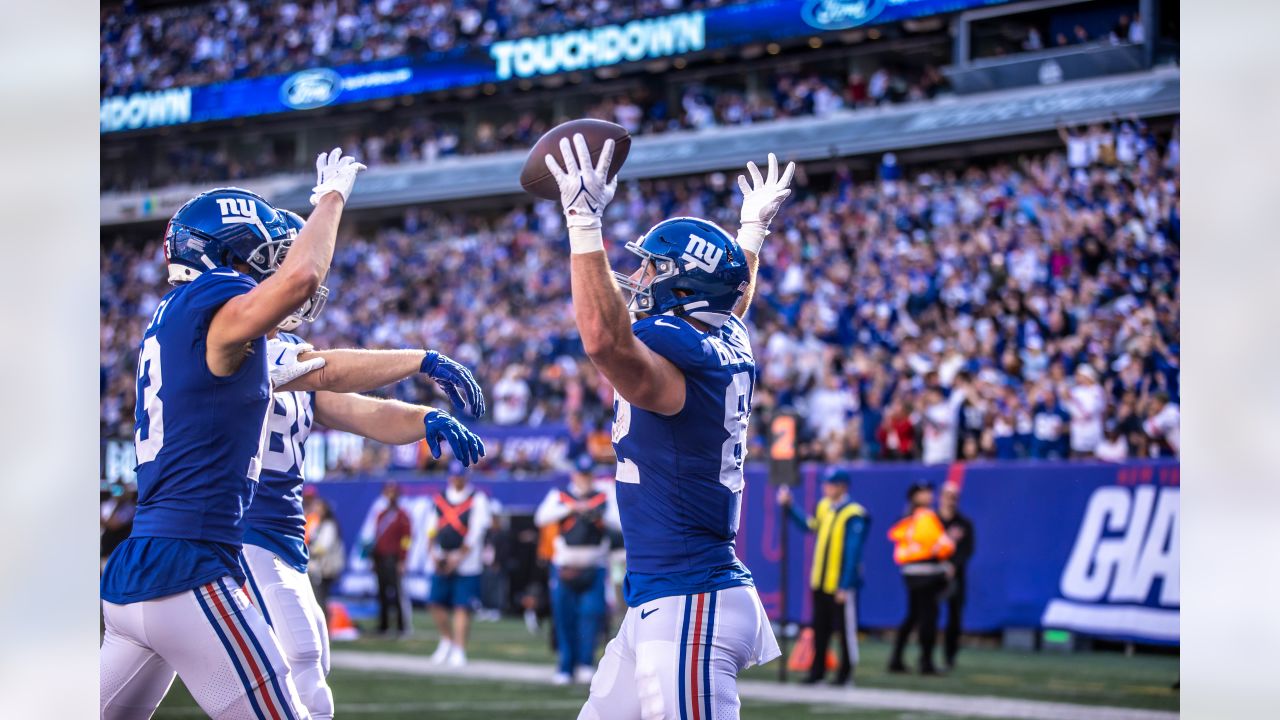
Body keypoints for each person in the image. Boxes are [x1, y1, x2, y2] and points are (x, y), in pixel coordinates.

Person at [100, 149, 364, 719]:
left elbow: (326, 370)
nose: (264, 267)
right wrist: (332, 198)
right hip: (191, 568)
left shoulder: (173, 317)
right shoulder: (209, 300)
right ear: (223, 251)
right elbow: (301, 278)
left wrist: (419, 361)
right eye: (258, 253)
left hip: (137, 568)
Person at [543, 134, 795, 719]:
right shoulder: (723, 334)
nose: (638, 275)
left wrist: (583, 222)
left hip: (691, 601)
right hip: (666, 600)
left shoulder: (681, 357)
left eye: (652, 266)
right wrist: (748, 238)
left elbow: (605, 341)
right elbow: (729, 300)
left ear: (682, 284)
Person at [240, 209, 488, 719]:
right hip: (242, 530)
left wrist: (426, 419)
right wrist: (423, 360)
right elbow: (333, 373)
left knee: (307, 666)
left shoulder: (285, 350)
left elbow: (359, 410)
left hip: (280, 537)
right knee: (303, 679)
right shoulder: (232, 348)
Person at [776, 469, 870, 687]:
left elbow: (852, 552)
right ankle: (817, 672)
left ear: (842, 487)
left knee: (845, 632)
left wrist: (844, 585)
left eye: (830, 484)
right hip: (820, 580)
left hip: (839, 584)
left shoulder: (854, 514)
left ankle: (845, 674)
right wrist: (790, 507)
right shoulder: (824, 506)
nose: (825, 488)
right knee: (820, 629)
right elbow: (810, 526)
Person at [535, 454, 622, 685]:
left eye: (588, 475)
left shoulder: (604, 495)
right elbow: (541, 518)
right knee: (564, 618)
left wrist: (596, 512)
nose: (584, 479)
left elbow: (618, 521)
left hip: (593, 566)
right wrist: (572, 508)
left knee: (591, 615)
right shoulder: (560, 496)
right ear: (575, 475)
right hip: (564, 566)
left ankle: (585, 663)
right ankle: (565, 665)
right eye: (581, 474)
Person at [426, 461, 494, 667]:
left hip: (467, 562)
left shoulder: (477, 499)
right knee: (435, 602)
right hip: (443, 554)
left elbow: (475, 532)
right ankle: (446, 639)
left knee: (461, 606)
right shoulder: (440, 498)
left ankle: (459, 647)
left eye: (459, 477)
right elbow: (431, 528)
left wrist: (458, 557)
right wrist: (432, 553)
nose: (456, 481)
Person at [887, 482, 955, 676]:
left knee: (913, 616)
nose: (929, 496)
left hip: (911, 572)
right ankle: (926, 662)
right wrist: (944, 560)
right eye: (924, 493)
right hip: (927, 573)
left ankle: (897, 659)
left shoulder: (907, 517)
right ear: (915, 496)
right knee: (928, 618)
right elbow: (944, 545)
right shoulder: (925, 517)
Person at [937, 482, 975, 671]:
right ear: (941, 497)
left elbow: (967, 550)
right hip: (933, 575)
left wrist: (953, 565)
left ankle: (949, 657)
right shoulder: (932, 521)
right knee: (927, 616)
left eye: (954, 497)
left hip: (955, 577)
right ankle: (926, 656)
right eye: (947, 496)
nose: (950, 501)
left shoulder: (964, 524)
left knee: (954, 618)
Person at [373, 481, 413, 638]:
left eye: (393, 492)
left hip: (394, 558)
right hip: (380, 558)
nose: (390, 495)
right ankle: (383, 625)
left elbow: (406, 538)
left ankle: (401, 627)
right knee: (382, 593)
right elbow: (377, 537)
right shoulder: (381, 514)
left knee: (397, 593)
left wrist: (403, 559)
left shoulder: (402, 515)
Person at [305, 496, 343, 621]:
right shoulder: (318, 524)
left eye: (319, 507)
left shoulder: (329, 525)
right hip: (318, 566)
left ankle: (325, 624)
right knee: (317, 598)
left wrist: (308, 550)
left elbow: (323, 547)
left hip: (325, 567)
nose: (316, 510)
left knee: (321, 598)